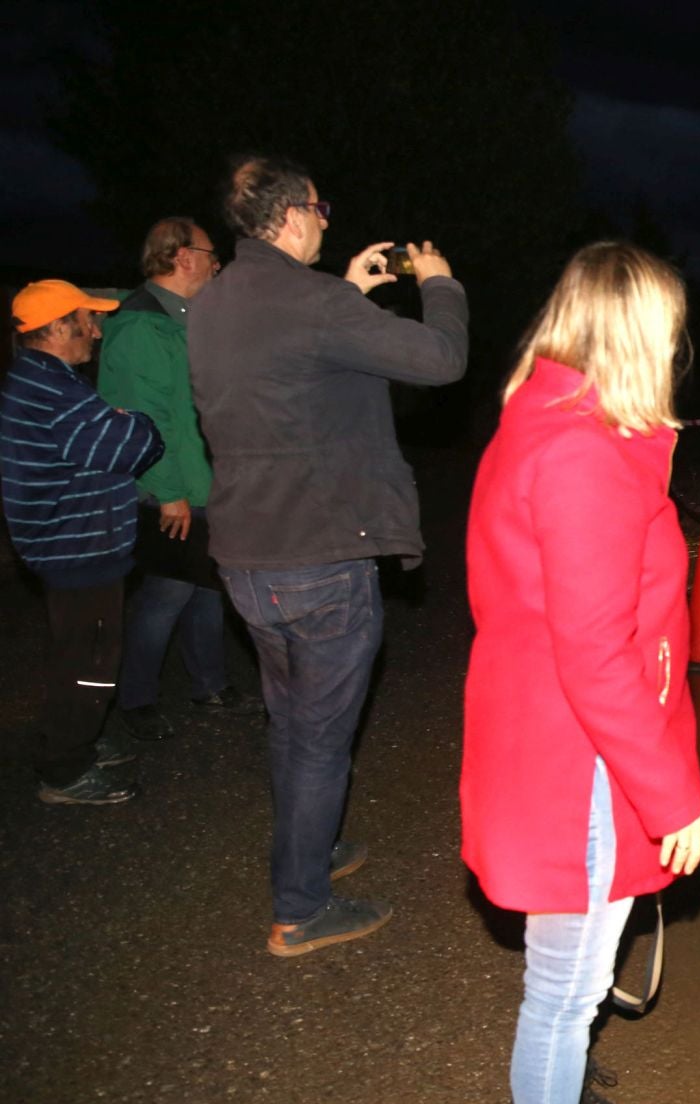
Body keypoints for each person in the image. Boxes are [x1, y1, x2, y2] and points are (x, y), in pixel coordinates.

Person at [461, 242, 700, 1104]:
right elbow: (595, 657)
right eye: (670, 327)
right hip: (580, 762)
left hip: (549, 729)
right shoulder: (581, 454)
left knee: (569, 984)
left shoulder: (552, 415)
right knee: (562, 993)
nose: (678, 342)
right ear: (639, 330)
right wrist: (675, 798)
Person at [188, 155, 468, 956]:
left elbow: (294, 367)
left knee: (291, 721)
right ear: (290, 215)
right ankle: (301, 908)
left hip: (246, 555)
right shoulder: (309, 303)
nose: (326, 219)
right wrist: (441, 284)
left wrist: (346, 291)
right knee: (319, 737)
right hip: (316, 558)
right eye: (319, 208)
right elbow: (441, 360)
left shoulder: (214, 302)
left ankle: (307, 850)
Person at [97, 216, 262, 741]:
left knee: (207, 588)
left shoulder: (187, 317)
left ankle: (209, 685)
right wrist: (168, 493)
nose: (218, 263)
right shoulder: (142, 325)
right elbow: (142, 420)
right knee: (167, 592)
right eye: (210, 253)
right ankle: (137, 697)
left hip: (204, 482)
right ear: (181, 256)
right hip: (173, 488)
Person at [2, 280, 163, 804]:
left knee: (79, 656)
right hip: (76, 549)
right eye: (86, 320)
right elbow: (133, 444)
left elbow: (107, 441)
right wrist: (137, 422)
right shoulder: (54, 390)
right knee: (89, 666)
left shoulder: (43, 379)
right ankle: (64, 771)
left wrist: (119, 424)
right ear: (54, 328)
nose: (96, 331)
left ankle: (74, 743)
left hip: (72, 545)